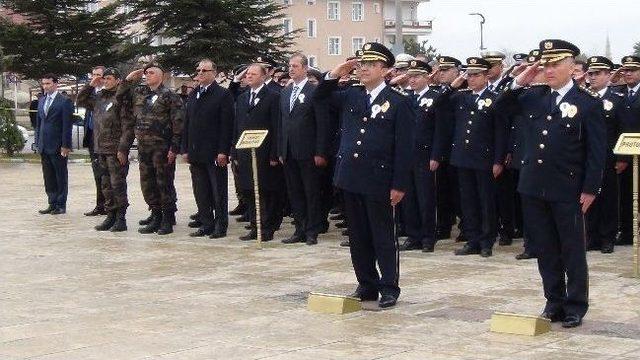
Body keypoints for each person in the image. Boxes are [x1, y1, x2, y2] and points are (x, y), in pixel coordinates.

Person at [499, 39, 606, 328]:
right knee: (545, 249)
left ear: (573, 67)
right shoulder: (533, 96)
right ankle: (554, 301)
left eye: (556, 63)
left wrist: (590, 188)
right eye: (545, 64)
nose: (549, 69)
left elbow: (597, 152)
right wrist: (519, 81)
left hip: (568, 188)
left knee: (571, 249)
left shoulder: (588, 103)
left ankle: (575, 306)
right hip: (533, 185)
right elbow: (499, 108)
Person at [315, 42, 415, 309]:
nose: (364, 69)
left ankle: (389, 286)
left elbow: (405, 148)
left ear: (385, 69)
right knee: (357, 235)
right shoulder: (351, 95)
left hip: (379, 179)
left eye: (371, 65)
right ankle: (366, 283)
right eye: (362, 65)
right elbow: (320, 97)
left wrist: (399, 184)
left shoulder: (398, 102)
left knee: (382, 235)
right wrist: (334, 74)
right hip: (350, 176)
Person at [435, 57, 507, 258]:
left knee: (486, 202)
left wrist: (498, 160)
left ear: (485, 76)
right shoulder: (461, 97)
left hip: (484, 158)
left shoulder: (495, 98)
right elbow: (438, 104)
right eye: (469, 75)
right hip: (462, 157)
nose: (472, 79)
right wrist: (452, 85)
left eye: (476, 75)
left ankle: (486, 242)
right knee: (468, 202)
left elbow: (500, 132)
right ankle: (473, 240)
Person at [119, 63, 185, 235]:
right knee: (147, 183)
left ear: (161, 76)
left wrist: (174, 147)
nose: (147, 75)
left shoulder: (170, 96)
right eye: (146, 73)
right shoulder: (140, 93)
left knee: (164, 183)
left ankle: (168, 218)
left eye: (151, 73)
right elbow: (120, 98)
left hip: (162, 148)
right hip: (144, 147)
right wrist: (128, 80)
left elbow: (178, 124)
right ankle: (155, 214)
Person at [278, 53, 328, 246]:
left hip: (308, 151)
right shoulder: (285, 92)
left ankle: (312, 231)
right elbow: (282, 122)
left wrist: (320, 151)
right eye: (289, 66)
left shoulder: (314, 91)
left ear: (305, 68)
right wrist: (281, 150)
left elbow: (322, 123)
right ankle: (299, 228)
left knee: (311, 192)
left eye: (295, 66)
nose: (291, 69)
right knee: (295, 192)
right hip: (289, 151)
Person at [584, 56, 632, 254]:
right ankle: (592, 236)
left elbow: (624, 130)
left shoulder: (617, 100)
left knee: (609, 198)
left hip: (609, 158)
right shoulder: (583, 97)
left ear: (607, 75)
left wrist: (622, 158)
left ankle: (607, 237)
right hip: (587, 158)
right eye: (590, 74)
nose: (592, 78)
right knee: (589, 196)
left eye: (597, 73)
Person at [182, 59, 234, 239]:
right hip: (196, 151)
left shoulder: (222, 94)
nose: (201, 73)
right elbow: (187, 123)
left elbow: (226, 125)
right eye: (198, 70)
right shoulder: (194, 93)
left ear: (214, 73)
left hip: (214, 152)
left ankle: (220, 226)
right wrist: (185, 148)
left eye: (205, 70)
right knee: (201, 191)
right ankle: (206, 224)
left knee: (218, 192)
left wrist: (223, 151)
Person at [231, 64, 283, 242]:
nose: (249, 76)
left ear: (263, 76)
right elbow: (237, 127)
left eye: (253, 74)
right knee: (248, 190)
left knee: (266, 191)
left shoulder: (273, 97)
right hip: (245, 152)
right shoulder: (243, 97)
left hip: (265, 153)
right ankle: (255, 225)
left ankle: (267, 227)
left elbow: (277, 127)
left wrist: (275, 154)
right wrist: (235, 153)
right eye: (247, 74)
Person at [77, 67, 130, 232]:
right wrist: (91, 85)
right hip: (101, 149)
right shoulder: (99, 97)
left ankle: (121, 218)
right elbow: (80, 100)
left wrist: (123, 149)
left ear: (117, 80)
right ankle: (110, 215)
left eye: (109, 78)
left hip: (115, 150)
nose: (105, 81)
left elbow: (128, 126)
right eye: (104, 78)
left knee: (117, 184)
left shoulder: (121, 98)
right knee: (106, 184)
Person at [398, 60, 440, 252]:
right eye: (410, 76)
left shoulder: (435, 97)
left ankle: (428, 237)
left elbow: (440, 130)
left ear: (426, 77)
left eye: (416, 76)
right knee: (408, 198)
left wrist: (436, 155)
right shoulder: (404, 97)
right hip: (407, 155)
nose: (412, 80)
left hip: (425, 154)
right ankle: (413, 235)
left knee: (426, 198)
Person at [432, 56, 464, 242]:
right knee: (442, 191)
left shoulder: (464, 90)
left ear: (457, 72)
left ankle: (465, 226)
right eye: (440, 70)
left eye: (446, 70)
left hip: (457, 145)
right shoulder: (437, 91)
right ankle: (443, 226)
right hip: (440, 146)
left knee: (459, 191)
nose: (441, 73)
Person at [35, 73, 74, 215]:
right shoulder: (41, 100)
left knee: (60, 176)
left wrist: (65, 145)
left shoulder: (64, 101)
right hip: (44, 145)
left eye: (48, 84)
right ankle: (52, 202)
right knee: (48, 176)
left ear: (56, 84)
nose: (45, 86)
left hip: (58, 145)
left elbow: (67, 125)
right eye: (44, 84)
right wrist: (37, 142)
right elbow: (39, 124)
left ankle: (61, 204)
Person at [617, 55, 640, 246]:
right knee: (625, 193)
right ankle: (626, 231)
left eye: (633, 70)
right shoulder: (618, 93)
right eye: (625, 70)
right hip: (624, 152)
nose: (628, 73)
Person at [83, 66, 108, 217]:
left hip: (105, 139)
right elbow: (81, 101)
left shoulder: (108, 94)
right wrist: (90, 86)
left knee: (106, 174)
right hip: (93, 137)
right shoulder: (91, 93)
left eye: (99, 75)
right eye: (93, 75)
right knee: (97, 173)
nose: (96, 78)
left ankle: (109, 205)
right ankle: (100, 205)